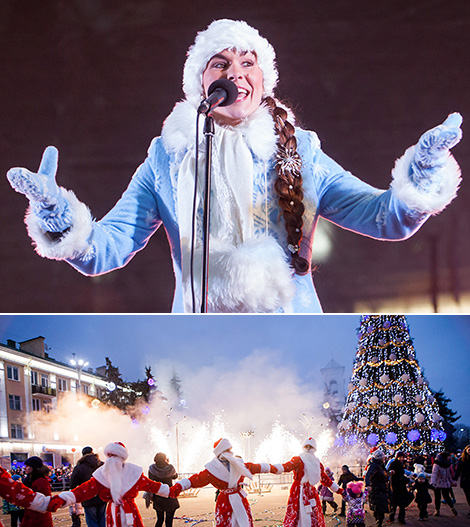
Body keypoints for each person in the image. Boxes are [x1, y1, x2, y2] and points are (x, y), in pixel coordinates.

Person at [6, 20, 463, 315]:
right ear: (202, 84)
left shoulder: (302, 150)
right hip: (198, 332)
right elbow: (105, 250)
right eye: (220, 64)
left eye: (249, 63)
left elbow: (385, 219)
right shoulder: (166, 159)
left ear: (264, 82)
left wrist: (423, 172)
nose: (236, 72)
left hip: (290, 328)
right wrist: (56, 214)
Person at [171, 437, 279, 527]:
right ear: (220, 453)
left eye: (230, 449)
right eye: (227, 450)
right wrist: (178, 487)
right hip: (224, 503)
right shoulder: (211, 470)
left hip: (240, 501)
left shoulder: (239, 464)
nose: (230, 452)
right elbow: (195, 480)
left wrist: (276, 468)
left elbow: (257, 467)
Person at [276, 438, 339, 527]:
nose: (309, 449)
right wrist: (270, 468)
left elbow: (325, 479)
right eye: (307, 447)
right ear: (304, 447)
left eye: (311, 447)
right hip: (297, 494)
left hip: (310, 494)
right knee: (296, 518)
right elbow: (286, 467)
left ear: (314, 449)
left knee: (316, 518)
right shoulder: (298, 460)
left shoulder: (317, 463)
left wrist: (338, 489)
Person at [16, 456, 69, 527]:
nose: (25, 468)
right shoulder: (30, 478)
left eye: (28, 466)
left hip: (38, 516)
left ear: (34, 468)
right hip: (30, 514)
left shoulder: (40, 481)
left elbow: (45, 499)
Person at [69, 446, 107, 527]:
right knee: (102, 521)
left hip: (88, 498)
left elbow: (73, 484)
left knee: (92, 522)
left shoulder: (79, 467)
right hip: (102, 497)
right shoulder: (102, 465)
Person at [144, 452, 179, 527]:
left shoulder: (152, 469)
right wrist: (167, 464)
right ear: (165, 459)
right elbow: (175, 476)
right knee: (169, 522)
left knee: (159, 519)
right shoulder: (170, 468)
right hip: (169, 495)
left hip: (158, 496)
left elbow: (150, 480)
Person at [364, 448, 389, 527]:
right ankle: (378, 524)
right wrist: (368, 485)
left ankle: (379, 524)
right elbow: (368, 475)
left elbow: (384, 474)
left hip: (382, 489)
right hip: (376, 489)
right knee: (377, 508)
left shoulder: (381, 465)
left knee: (381, 508)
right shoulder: (373, 465)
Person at [431, 451, 459, 516]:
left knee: (447, 497)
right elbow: (434, 474)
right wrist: (433, 483)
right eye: (448, 456)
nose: (450, 458)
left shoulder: (447, 464)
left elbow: (448, 475)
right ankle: (437, 510)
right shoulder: (437, 464)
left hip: (445, 483)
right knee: (437, 497)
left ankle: (452, 508)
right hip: (438, 483)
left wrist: (452, 481)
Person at [387, 450, 411, 524]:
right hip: (396, 486)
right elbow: (392, 472)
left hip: (401, 486)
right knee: (395, 503)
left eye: (402, 457)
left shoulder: (401, 464)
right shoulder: (394, 464)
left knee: (401, 504)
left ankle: (400, 518)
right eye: (400, 457)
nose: (401, 459)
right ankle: (393, 517)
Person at [453, 444, 470, 514]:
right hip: (465, 479)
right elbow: (458, 470)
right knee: (468, 495)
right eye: (469, 450)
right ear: (465, 450)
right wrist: (455, 479)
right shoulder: (462, 460)